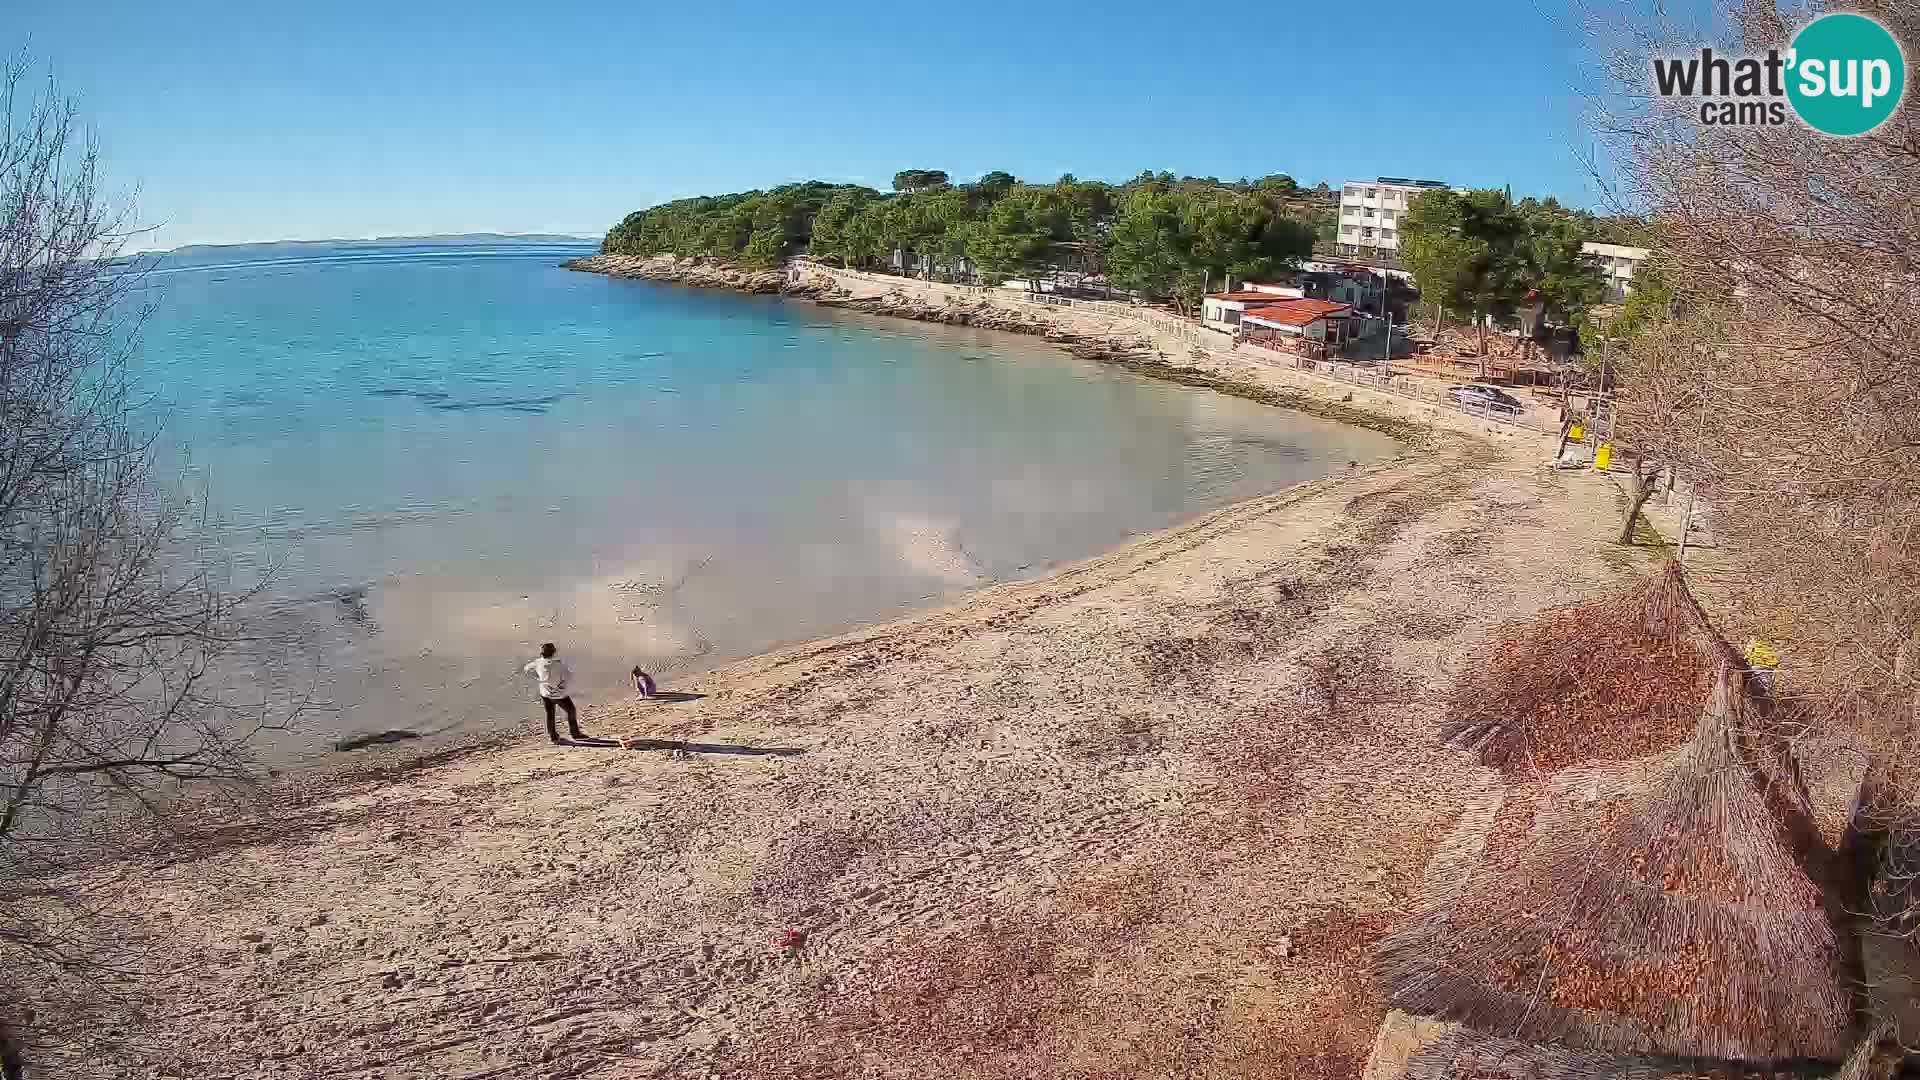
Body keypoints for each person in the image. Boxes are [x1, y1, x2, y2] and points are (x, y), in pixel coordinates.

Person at [524, 642, 586, 743]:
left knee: (550, 714)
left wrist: (539, 679)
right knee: (571, 711)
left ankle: (553, 737)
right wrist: (561, 687)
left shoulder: (538, 662)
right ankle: (575, 734)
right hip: (559, 695)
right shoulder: (559, 665)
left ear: (541, 653)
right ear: (554, 652)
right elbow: (568, 678)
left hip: (545, 694)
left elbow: (526, 669)